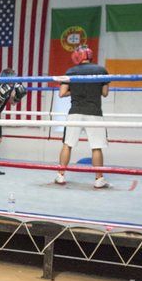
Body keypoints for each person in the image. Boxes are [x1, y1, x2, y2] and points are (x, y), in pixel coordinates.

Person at [55, 45, 110, 188]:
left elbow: (61, 93)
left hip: (75, 112)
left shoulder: (71, 72)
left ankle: (60, 175)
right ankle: (99, 179)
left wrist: (76, 91)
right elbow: (105, 93)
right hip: (94, 112)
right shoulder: (101, 70)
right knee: (96, 147)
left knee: (68, 144)